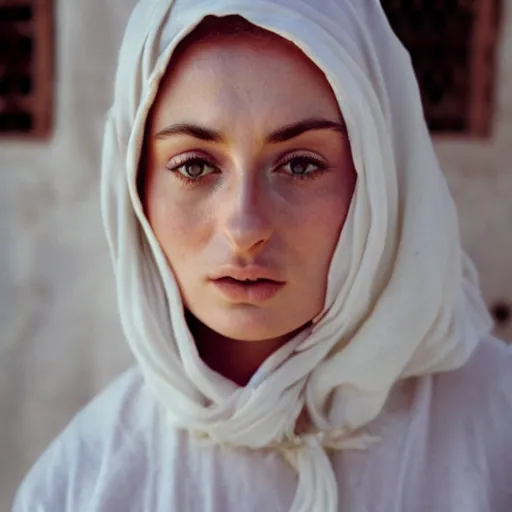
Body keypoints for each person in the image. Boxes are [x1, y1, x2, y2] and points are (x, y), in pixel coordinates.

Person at [13, 0, 512, 510]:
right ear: (136, 188)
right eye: (194, 167)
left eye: (299, 165)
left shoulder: (497, 437)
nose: (245, 227)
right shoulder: (87, 482)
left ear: (379, 177)